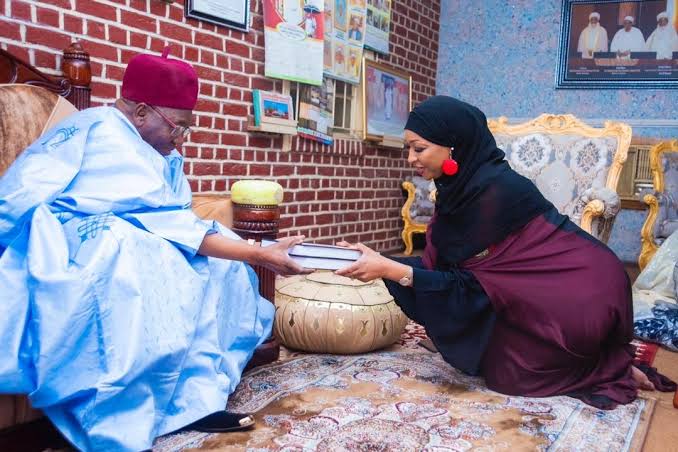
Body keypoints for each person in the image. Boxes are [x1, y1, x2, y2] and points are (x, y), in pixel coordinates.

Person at [0, 49, 311, 452]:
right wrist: (257, 253)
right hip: (79, 238)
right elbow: (146, 215)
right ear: (142, 111)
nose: (181, 138)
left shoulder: (153, 143)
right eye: (178, 126)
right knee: (143, 260)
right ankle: (117, 420)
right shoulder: (105, 133)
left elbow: (170, 215)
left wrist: (246, 252)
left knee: (219, 266)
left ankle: (193, 404)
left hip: (151, 232)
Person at [335, 96, 676, 410]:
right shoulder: (459, 187)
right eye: (408, 148)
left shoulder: (494, 193)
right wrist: (378, 259)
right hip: (532, 293)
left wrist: (388, 269)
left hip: (577, 298)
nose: (410, 158)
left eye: (418, 148)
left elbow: (467, 285)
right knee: (490, 355)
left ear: (454, 147)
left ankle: (602, 366)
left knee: (512, 374)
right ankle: (607, 364)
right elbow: (442, 268)